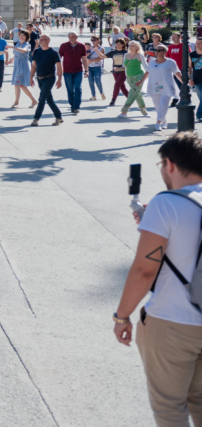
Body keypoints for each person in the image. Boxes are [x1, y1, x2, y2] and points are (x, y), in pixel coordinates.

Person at [113, 132, 202, 427]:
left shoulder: (166, 203)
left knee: (170, 407)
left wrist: (122, 316)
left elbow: (144, 270)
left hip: (173, 322)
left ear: (170, 165)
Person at [30, 34, 64, 126]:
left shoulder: (53, 52)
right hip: (39, 78)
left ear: (48, 41)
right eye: (40, 39)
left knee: (41, 99)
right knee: (49, 99)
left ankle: (36, 119)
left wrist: (59, 79)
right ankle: (59, 117)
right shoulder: (37, 51)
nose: (40, 41)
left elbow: (59, 66)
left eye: (43, 40)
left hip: (49, 78)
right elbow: (34, 65)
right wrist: (31, 78)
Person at [147, 44, 181, 132]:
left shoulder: (171, 62)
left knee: (163, 106)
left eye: (159, 50)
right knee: (158, 107)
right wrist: (140, 82)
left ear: (165, 52)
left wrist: (185, 83)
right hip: (155, 87)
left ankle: (158, 123)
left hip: (167, 87)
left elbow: (177, 73)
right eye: (156, 50)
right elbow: (147, 72)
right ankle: (164, 121)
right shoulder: (151, 62)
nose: (157, 52)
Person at [119, 40, 150, 119]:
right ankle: (144, 111)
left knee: (132, 93)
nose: (131, 47)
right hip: (129, 77)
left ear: (137, 47)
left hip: (139, 77)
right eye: (130, 45)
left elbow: (146, 67)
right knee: (137, 94)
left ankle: (124, 111)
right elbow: (124, 66)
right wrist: (117, 69)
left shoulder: (140, 56)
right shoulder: (126, 55)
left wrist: (148, 76)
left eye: (133, 45)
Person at [59, 32, 89, 114]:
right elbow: (59, 58)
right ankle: (72, 105)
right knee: (70, 90)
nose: (71, 38)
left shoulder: (81, 46)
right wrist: (57, 69)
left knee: (78, 88)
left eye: (72, 37)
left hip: (78, 70)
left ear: (76, 37)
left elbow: (84, 59)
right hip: (67, 71)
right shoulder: (64, 46)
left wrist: (86, 70)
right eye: (69, 37)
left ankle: (76, 106)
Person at [8, 30, 37, 109]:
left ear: (27, 37)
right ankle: (33, 100)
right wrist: (12, 59)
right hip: (17, 64)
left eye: (23, 35)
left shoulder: (27, 44)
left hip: (23, 65)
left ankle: (17, 102)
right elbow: (17, 53)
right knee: (20, 84)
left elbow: (23, 50)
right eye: (20, 35)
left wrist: (13, 47)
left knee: (18, 84)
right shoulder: (18, 43)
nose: (21, 36)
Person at [106, 38, 130, 106]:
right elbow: (103, 56)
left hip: (123, 71)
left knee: (117, 85)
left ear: (123, 45)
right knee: (122, 86)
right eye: (116, 44)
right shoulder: (113, 52)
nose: (117, 45)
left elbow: (129, 62)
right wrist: (97, 51)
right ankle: (130, 98)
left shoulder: (126, 52)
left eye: (119, 44)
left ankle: (113, 100)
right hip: (115, 71)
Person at [86, 36, 106, 101]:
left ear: (98, 40)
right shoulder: (89, 47)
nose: (92, 41)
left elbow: (101, 58)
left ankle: (101, 92)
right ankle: (93, 95)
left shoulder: (101, 48)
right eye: (91, 40)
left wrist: (91, 60)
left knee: (98, 81)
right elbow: (85, 55)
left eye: (94, 40)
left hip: (97, 67)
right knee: (90, 82)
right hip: (89, 67)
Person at [189, 37, 202, 122]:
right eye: (196, 43)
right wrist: (190, 79)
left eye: (199, 43)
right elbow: (190, 68)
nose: (197, 44)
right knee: (201, 99)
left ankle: (199, 115)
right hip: (196, 80)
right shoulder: (192, 54)